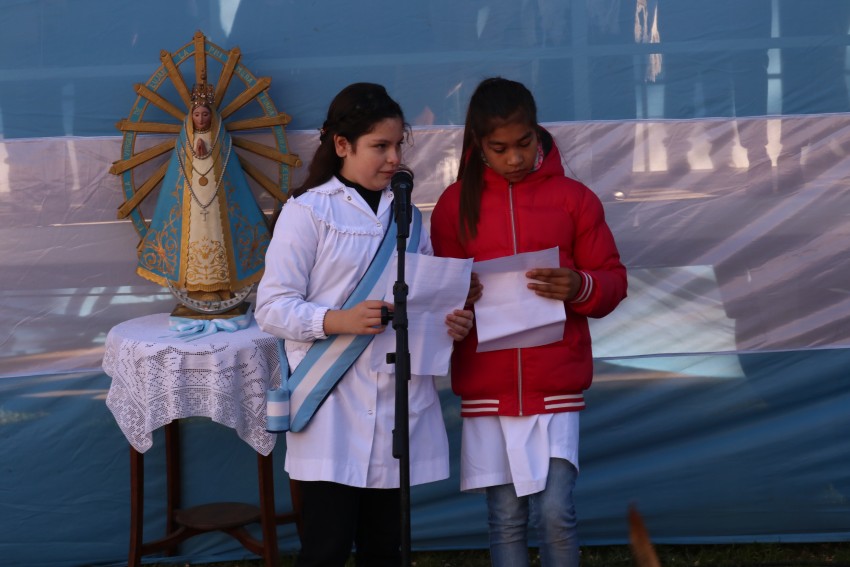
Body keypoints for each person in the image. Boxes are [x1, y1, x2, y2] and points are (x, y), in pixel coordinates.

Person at [254, 82, 474, 567]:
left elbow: (424, 297)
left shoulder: (409, 217)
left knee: (384, 547)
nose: (394, 158)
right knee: (325, 549)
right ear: (342, 145)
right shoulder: (308, 212)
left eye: (398, 145)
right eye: (380, 146)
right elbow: (271, 307)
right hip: (329, 402)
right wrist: (339, 319)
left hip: (396, 404)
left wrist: (451, 322)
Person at [430, 77, 628, 567]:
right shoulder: (453, 205)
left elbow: (613, 281)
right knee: (505, 518)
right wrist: (459, 297)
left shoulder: (575, 199)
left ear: (538, 133)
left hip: (555, 383)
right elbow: (438, 303)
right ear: (478, 144)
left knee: (557, 514)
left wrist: (578, 285)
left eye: (524, 143)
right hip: (488, 386)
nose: (515, 158)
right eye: (499, 149)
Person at [136, 79, 271, 313]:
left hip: (218, 203)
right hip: (192, 206)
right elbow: (176, 179)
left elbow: (233, 178)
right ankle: (194, 287)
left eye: (205, 114)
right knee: (193, 235)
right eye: (197, 115)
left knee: (219, 233)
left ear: (212, 116)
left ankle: (224, 286)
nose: (200, 119)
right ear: (191, 116)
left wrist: (209, 152)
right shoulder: (185, 142)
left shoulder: (221, 140)